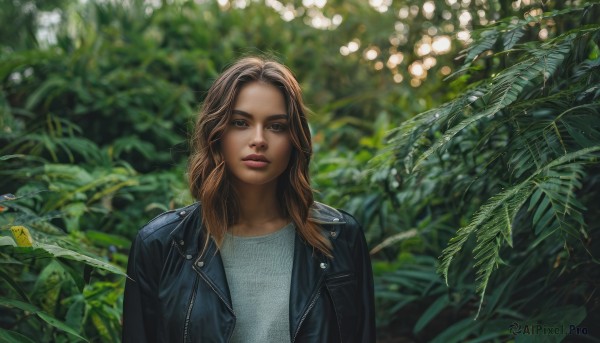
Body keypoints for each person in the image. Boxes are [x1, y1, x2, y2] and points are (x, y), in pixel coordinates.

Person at [122, 56, 375, 343]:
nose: (259, 139)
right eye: (240, 122)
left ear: (295, 140)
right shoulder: (160, 245)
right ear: (216, 133)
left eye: (277, 126)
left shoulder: (341, 238)